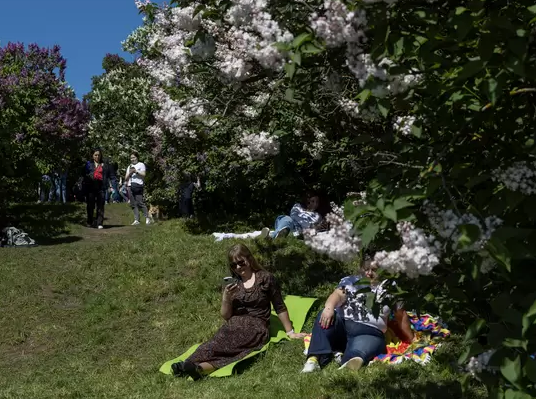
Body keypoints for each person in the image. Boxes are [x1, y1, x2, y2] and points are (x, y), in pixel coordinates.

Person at [171, 244, 305, 380]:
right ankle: (192, 367)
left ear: (250, 259)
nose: (238, 267)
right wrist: (226, 297)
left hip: (256, 326)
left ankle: (192, 367)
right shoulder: (234, 284)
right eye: (234, 265)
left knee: (230, 350)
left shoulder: (265, 278)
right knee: (213, 344)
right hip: (233, 324)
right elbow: (226, 316)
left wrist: (290, 332)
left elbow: (279, 306)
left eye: (241, 262)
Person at [301, 258, 400, 373]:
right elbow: (338, 294)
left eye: (373, 270)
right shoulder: (350, 281)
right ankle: (313, 360)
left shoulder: (390, 287)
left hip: (369, 331)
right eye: (366, 269)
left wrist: (410, 337)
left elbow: (400, 314)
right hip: (342, 326)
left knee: (358, 353)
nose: (368, 273)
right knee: (324, 315)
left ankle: (348, 361)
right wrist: (329, 308)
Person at [83, 149, 114, 229]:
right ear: (93, 156)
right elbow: (84, 175)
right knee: (90, 205)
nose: (97, 156)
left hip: (101, 187)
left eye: (98, 155)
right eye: (95, 155)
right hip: (91, 187)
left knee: (100, 206)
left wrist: (111, 186)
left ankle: (99, 222)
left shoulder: (105, 165)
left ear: (101, 156)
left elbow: (110, 176)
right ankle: (90, 221)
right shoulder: (89, 165)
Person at [124, 152, 150, 225]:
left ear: (137, 157)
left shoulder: (141, 164)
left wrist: (136, 171)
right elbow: (126, 178)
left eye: (134, 157)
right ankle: (136, 220)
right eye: (131, 158)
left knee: (140, 202)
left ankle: (147, 218)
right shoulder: (129, 166)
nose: (132, 159)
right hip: (130, 186)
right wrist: (130, 173)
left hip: (138, 186)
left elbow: (144, 174)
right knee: (133, 204)